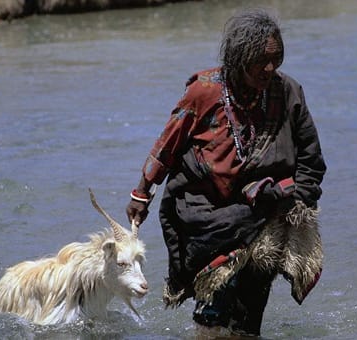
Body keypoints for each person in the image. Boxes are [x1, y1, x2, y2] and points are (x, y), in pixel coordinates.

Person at [126, 9, 326, 337]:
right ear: (238, 58)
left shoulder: (287, 92)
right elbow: (168, 144)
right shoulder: (204, 92)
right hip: (208, 215)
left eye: (277, 59)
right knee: (213, 314)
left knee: (249, 316)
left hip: (264, 214)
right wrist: (142, 192)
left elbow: (311, 158)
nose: (270, 69)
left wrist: (296, 201)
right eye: (261, 60)